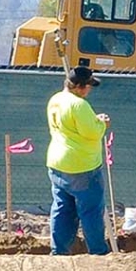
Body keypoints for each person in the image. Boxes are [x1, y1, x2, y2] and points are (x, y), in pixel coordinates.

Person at [46, 66, 111, 255]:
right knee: (90, 211)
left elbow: (73, 126)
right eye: (88, 86)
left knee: (62, 208)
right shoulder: (79, 105)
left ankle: (58, 251)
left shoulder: (55, 99)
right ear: (79, 87)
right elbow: (91, 133)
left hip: (57, 163)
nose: (89, 90)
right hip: (81, 166)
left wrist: (94, 120)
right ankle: (98, 252)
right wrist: (102, 123)